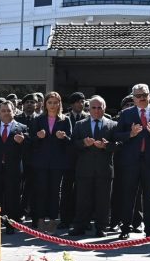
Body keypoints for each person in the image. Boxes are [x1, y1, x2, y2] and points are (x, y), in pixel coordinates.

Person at [113, 83, 150, 240]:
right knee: (128, 195)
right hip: (131, 161)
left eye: (145, 95)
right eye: (139, 96)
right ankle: (125, 228)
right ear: (133, 98)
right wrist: (130, 134)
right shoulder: (126, 114)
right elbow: (116, 135)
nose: (142, 98)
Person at [69, 96, 117, 237]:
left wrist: (106, 146)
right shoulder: (80, 125)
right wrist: (84, 143)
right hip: (85, 169)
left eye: (99, 107)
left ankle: (101, 227)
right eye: (94, 108)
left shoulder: (113, 125)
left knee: (103, 201)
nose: (96, 110)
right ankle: (80, 226)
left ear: (104, 108)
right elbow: (72, 145)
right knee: (82, 200)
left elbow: (119, 145)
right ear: (88, 109)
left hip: (104, 170)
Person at [0, 101, 29, 233]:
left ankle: (10, 225)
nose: (6, 113)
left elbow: (30, 148)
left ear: (14, 112)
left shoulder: (22, 127)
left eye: (9, 110)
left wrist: (22, 142)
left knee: (12, 197)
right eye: (3, 111)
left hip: (13, 168)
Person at [28, 92, 72, 231]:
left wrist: (63, 137)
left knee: (55, 191)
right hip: (41, 162)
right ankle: (40, 219)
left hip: (57, 163)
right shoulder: (38, 119)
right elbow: (30, 142)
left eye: (55, 102)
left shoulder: (65, 120)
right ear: (45, 104)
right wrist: (38, 136)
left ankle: (53, 219)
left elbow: (71, 142)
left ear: (60, 104)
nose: (53, 105)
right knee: (41, 191)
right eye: (50, 102)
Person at [60, 92, 88, 227]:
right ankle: (65, 219)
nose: (80, 104)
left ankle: (83, 220)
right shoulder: (64, 118)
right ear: (72, 104)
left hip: (84, 159)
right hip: (68, 160)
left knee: (83, 191)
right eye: (77, 102)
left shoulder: (88, 118)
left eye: (82, 101)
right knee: (66, 190)